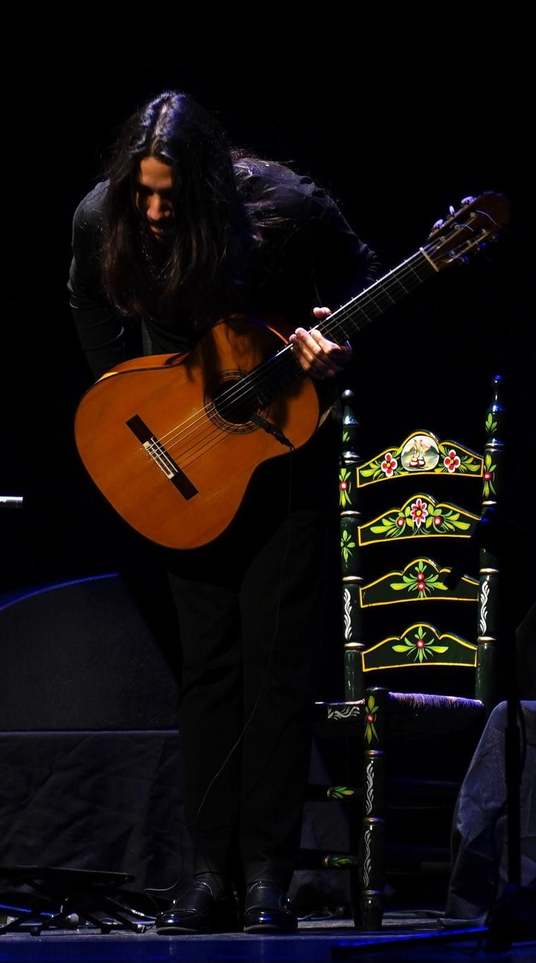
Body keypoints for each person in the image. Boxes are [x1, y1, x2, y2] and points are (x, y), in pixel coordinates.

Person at [67, 91, 381, 934]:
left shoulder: (286, 204)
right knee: (208, 670)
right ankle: (207, 874)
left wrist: (333, 348)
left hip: (280, 459)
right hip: (187, 471)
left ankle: (268, 878)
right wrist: (134, 404)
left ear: (208, 184)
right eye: (146, 194)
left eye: (172, 195)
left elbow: (364, 288)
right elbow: (87, 302)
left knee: (276, 670)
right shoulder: (106, 213)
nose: (158, 211)